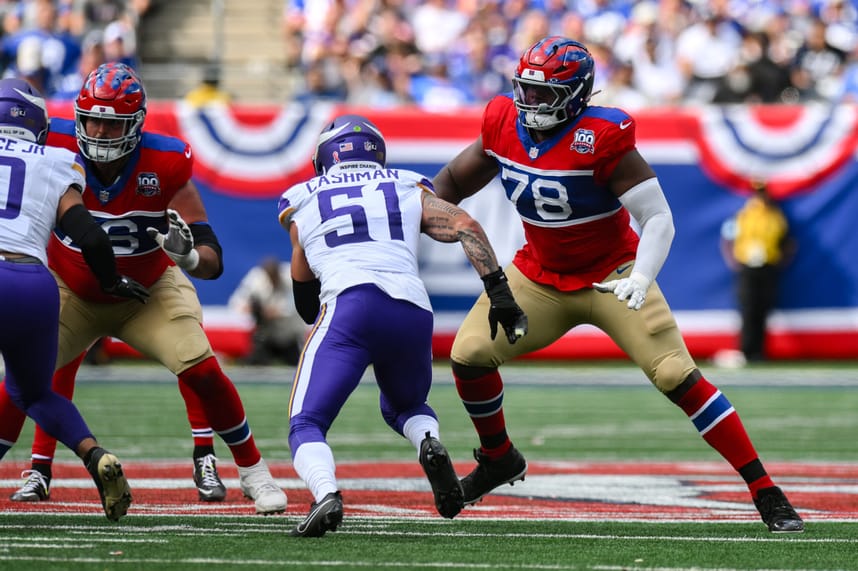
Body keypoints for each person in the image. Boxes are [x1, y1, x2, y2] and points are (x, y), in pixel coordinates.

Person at [430, 36, 804, 534]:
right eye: (527, 91)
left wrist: (642, 277)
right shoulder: (502, 122)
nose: (531, 104)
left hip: (613, 275)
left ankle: (765, 490)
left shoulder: (601, 136)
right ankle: (499, 457)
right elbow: (451, 183)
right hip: (539, 274)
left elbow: (658, 219)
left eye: (545, 94)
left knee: (676, 375)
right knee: (469, 353)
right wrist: (421, 208)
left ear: (577, 93)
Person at [0, 62, 287, 514]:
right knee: (16, 387)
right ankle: (38, 469)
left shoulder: (165, 162)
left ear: (134, 125)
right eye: (90, 118)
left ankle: (254, 472)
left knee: (203, 369)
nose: (96, 130)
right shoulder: (52, 143)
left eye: (110, 123)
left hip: (147, 290)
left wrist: (188, 255)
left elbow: (211, 260)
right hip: (70, 290)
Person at [278, 114, 527, 537]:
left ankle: (325, 495)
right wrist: (498, 289)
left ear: (324, 157)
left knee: (307, 422)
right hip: (411, 308)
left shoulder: (301, 196)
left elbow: (304, 296)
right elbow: (465, 225)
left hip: (350, 305)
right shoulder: (407, 184)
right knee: (405, 406)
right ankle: (427, 438)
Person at [0, 78, 148, 520]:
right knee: (34, 392)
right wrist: (112, 282)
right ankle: (94, 455)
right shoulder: (56, 160)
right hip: (31, 281)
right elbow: (91, 238)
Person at [720, 180, 795, 363]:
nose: (760, 197)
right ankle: (746, 350)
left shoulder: (776, 216)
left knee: (763, 308)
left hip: (767, 267)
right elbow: (728, 238)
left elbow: (787, 242)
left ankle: (758, 352)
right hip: (748, 267)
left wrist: (779, 262)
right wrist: (733, 260)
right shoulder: (742, 215)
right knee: (748, 309)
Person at [228, 255, 307, 366]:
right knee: (256, 368)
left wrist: (274, 312)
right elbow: (237, 301)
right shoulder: (256, 278)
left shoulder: (290, 276)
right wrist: (250, 308)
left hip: (289, 337)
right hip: (266, 337)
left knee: (298, 368)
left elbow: (295, 306)